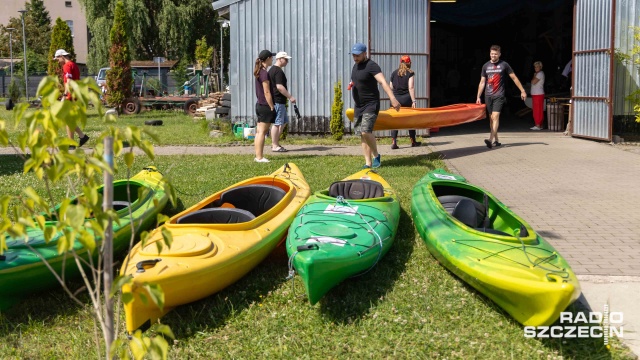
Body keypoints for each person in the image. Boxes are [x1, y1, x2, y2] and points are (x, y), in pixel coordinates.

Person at [350, 42, 400, 168]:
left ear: (364, 53)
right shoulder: (355, 66)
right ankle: (368, 163)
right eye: (353, 55)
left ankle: (376, 155)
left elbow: (383, 82)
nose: (355, 58)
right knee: (362, 134)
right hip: (359, 105)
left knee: (366, 131)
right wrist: (352, 84)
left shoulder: (372, 65)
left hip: (371, 104)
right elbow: (358, 80)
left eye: (357, 55)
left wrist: (392, 98)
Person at [475, 45, 526, 149]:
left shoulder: (504, 65)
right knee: (491, 119)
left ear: (499, 54)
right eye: (492, 53)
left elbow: (514, 78)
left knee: (495, 117)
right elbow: (482, 82)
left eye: (495, 54)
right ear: (489, 53)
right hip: (488, 95)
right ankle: (497, 140)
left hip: (499, 95)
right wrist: (478, 96)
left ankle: (490, 140)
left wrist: (522, 90)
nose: (493, 55)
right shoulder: (485, 66)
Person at [55, 49, 89, 149]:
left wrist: (65, 96)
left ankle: (73, 142)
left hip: (71, 95)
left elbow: (69, 81)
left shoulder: (67, 66)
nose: (57, 61)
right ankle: (81, 137)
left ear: (62, 56)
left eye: (57, 58)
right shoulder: (73, 65)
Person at [389, 55, 420, 149]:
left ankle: (394, 142)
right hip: (407, 99)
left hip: (396, 100)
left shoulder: (394, 73)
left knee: (395, 121)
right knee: (410, 120)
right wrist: (413, 101)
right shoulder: (410, 73)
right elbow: (411, 87)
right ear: (409, 63)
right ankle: (413, 141)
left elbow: (390, 87)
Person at [268, 51, 295, 152]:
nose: (287, 61)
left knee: (283, 122)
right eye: (286, 59)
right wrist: (290, 97)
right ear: (279, 59)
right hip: (278, 100)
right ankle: (275, 146)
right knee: (277, 123)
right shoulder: (278, 71)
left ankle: (275, 142)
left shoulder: (272, 70)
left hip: (279, 101)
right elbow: (279, 87)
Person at [253, 49, 277, 163]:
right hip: (265, 105)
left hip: (259, 105)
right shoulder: (264, 73)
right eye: (271, 57)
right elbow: (267, 92)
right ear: (267, 59)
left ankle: (258, 155)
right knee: (262, 132)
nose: (272, 59)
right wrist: (271, 106)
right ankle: (260, 157)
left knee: (259, 132)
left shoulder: (259, 71)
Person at [530, 61, 545, 130]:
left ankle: (538, 125)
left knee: (537, 110)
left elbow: (533, 82)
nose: (536, 68)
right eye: (535, 67)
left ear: (540, 67)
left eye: (537, 66)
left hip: (537, 94)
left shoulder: (539, 74)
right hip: (537, 93)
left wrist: (534, 76)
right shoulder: (539, 74)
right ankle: (539, 124)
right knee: (538, 109)